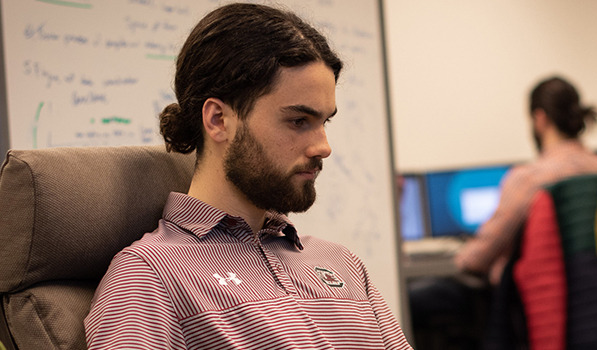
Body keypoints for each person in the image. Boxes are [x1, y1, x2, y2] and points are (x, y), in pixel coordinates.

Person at [84, 4, 411, 349]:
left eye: (323, 122)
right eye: (299, 121)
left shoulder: (344, 264)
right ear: (218, 120)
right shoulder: (150, 278)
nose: (323, 147)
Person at [454, 75, 597, 284]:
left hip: (542, 301)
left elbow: (477, 259)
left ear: (540, 119)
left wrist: (462, 256)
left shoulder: (530, 180)